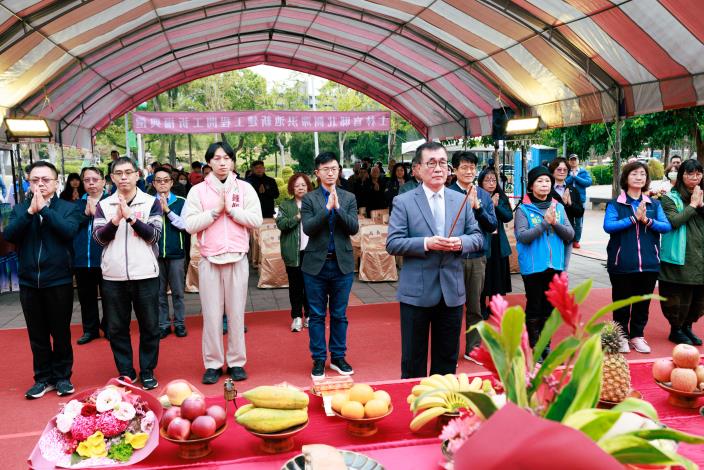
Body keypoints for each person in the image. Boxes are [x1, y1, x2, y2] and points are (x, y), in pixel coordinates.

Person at [386, 142, 483, 379]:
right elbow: (393, 243)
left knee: (447, 359)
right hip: (416, 293)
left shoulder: (460, 199)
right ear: (417, 169)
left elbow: (478, 237)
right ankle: (414, 408)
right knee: (413, 359)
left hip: (451, 290)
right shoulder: (404, 201)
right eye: (431, 163)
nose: (438, 168)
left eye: (442, 163)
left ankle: (443, 408)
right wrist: (426, 243)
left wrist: (460, 243)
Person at [183, 142, 262, 384]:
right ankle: (213, 363)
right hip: (209, 258)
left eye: (227, 158)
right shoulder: (198, 191)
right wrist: (215, 212)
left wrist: (233, 211)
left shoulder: (245, 188)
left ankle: (237, 362)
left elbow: (256, 219)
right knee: (211, 315)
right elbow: (189, 224)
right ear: (209, 162)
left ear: (233, 162)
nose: (222, 162)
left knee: (237, 315)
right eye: (217, 158)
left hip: (237, 257)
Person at [5, 161, 82, 398]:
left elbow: (68, 232)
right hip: (29, 282)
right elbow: (10, 235)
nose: (40, 184)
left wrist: (45, 210)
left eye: (45, 180)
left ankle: (62, 377)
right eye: (35, 179)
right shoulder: (20, 209)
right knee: (36, 334)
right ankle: (42, 378)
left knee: (60, 333)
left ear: (56, 182)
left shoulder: (68, 208)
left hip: (58, 280)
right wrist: (30, 212)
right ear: (29, 182)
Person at [93, 157, 163, 390]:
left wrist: (131, 217)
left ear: (137, 175)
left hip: (145, 274)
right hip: (113, 276)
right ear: (111, 178)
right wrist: (115, 219)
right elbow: (99, 238)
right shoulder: (103, 205)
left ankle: (147, 370)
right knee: (116, 327)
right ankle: (125, 371)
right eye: (118, 173)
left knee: (150, 325)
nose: (124, 177)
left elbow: (154, 236)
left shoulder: (151, 202)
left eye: (128, 172)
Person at [301, 152, 359, 379]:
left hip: (342, 265)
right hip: (315, 266)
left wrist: (337, 208)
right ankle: (318, 359)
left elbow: (353, 227)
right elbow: (308, 228)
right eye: (325, 169)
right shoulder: (310, 199)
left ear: (339, 171)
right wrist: (326, 209)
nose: (330, 172)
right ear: (317, 173)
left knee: (339, 314)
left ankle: (338, 356)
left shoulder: (349, 198)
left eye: (334, 168)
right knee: (315, 315)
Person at [604, 161, 671, 354]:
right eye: (634, 174)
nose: (639, 177)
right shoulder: (616, 204)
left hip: (649, 264)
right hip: (622, 264)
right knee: (622, 303)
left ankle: (637, 336)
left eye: (642, 174)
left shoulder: (654, 204)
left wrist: (647, 220)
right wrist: (634, 218)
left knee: (643, 304)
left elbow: (665, 227)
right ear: (626, 178)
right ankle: (622, 336)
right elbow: (609, 226)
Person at [515, 166, 574, 357]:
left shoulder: (559, 208)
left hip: (554, 265)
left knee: (549, 307)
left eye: (547, 181)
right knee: (534, 305)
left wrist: (555, 223)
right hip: (533, 267)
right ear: (531, 186)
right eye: (539, 181)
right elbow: (523, 236)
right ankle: (534, 346)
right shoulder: (523, 210)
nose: (544, 184)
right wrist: (544, 224)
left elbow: (570, 234)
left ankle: (545, 345)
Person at [448, 151, 497, 362]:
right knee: (451, 306)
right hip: (453, 257)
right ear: (455, 170)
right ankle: (448, 351)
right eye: (464, 167)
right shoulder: (447, 194)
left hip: (477, 257)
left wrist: (478, 208)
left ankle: (473, 348)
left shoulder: (483, 195)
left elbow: (492, 225)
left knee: (475, 306)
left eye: (472, 168)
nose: (469, 171)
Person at [658, 159, 704, 345]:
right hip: (680, 255)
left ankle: (687, 327)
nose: (695, 178)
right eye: (690, 174)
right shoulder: (670, 198)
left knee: (698, 296)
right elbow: (674, 222)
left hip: (700, 255)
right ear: (681, 175)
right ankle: (676, 329)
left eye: (698, 174)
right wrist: (693, 205)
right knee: (679, 295)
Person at [152, 167, 188, 339]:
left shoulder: (181, 201)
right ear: (153, 183)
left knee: (178, 291)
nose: (162, 183)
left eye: (165, 180)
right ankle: (163, 324)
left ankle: (180, 323)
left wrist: (167, 210)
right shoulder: (148, 202)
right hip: (155, 254)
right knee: (158, 293)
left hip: (176, 253)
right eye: (158, 180)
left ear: (171, 182)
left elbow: (185, 225)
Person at [73, 167, 109, 345]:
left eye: (95, 179)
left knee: (110, 296)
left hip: (105, 259)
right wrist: (85, 214)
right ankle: (90, 329)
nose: (91, 183)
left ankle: (109, 327)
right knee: (86, 298)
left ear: (103, 181)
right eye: (87, 180)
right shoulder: (76, 205)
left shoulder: (111, 202)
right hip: (81, 260)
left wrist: (97, 214)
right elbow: (69, 227)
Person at [276, 173, 313, 332]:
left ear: (308, 187)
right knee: (295, 287)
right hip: (293, 252)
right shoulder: (285, 205)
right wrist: (297, 217)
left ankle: (310, 316)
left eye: (303, 185)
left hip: (311, 252)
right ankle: (297, 317)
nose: (300, 188)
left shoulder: (313, 203)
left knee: (311, 286)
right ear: (292, 187)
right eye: (297, 185)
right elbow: (281, 224)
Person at [477, 168, 512, 311]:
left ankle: (494, 305)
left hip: (498, 241)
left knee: (497, 275)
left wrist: (496, 206)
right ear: (480, 182)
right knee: (483, 276)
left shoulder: (501, 197)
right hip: (483, 241)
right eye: (487, 180)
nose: (491, 183)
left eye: (493, 180)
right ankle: (480, 305)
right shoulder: (477, 196)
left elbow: (508, 216)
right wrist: (489, 204)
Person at [549, 157, 584, 240]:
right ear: (552, 170)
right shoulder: (547, 190)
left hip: (568, 234)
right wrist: (563, 202)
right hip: (551, 233)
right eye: (559, 169)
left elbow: (580, 213)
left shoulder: (573, 190)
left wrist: (570, 204)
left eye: (565, 170)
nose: (562, 172)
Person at [566, 154, 592, 248]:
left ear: (578, 161)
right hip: (567, 199)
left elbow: (588, 183)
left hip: (580, 200)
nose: (573, 161)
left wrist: (575, 177)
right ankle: (568, 238)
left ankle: (576, 240)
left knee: (579, 222)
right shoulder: (566, 171)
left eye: (575, 159)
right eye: (571, 159)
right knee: (568, 220)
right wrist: (571, 177)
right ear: (569, 161)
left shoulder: (583, 172)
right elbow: (564, 182)